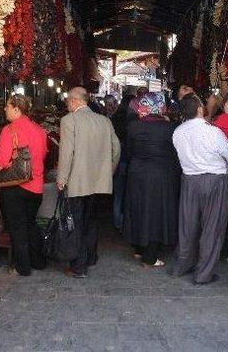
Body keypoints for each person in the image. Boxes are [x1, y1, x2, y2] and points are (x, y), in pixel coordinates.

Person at [172, 94, 228, 285]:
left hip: (189, 181)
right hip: (214, 181)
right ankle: (204, 274)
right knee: (212, 228)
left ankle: (183, 265)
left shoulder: (177, 132)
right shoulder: (213, 132)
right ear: (199, 110)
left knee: (187, 226)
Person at [57, 86, 121, 278]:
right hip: (99, 182)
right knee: (91, 220)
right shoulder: (104, 121)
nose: (67, 103)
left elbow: (67, 153)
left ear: (75, 101)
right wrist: (107, 172)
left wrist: (62, 179)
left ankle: (79, 266)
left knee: (76, 222)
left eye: (68, 100)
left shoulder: (69, 121)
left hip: (78, 182)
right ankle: (91, 256)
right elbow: (116, 149)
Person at [0, 95, 48, 276]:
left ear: (17, 109)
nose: (4, 109)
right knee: (30, 224)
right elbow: (43, 155)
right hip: (36, 186)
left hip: (15, 186)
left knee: (17, 228)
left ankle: (22, 267)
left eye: (7, 106)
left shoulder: (9, 130)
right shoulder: (39, 130)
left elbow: (0, 161)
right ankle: (39, 261)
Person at [123, 93, 181, 268]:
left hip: (137, 174)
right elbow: (175, 154)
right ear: (161, 106)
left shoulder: (133, 127)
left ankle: (139, 249)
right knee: (156, 213)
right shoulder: (170, 128)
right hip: (160, 175)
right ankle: (150, 257)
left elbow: (129, 151)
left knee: (138, 209)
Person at [111, 94, 137, 231]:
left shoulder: (115, 117)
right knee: (130, 194)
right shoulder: (136, 120)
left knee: (119, 194)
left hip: (119, 160)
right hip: (131, 161)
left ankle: (118, 223)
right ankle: (128, 224)